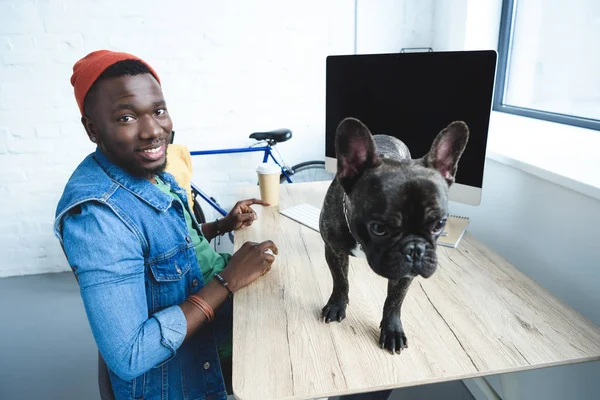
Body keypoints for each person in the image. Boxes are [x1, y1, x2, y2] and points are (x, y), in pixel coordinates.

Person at [54, 50, 278, 400]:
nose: (153, 131)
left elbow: (170, 248)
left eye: (158, 111)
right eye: (126, 117)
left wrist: (221, 225)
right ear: (92, 129)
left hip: (229, 307)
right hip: (199, 358)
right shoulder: (98, 218)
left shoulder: (152, 174)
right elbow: (130, 355)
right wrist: (228, 279)